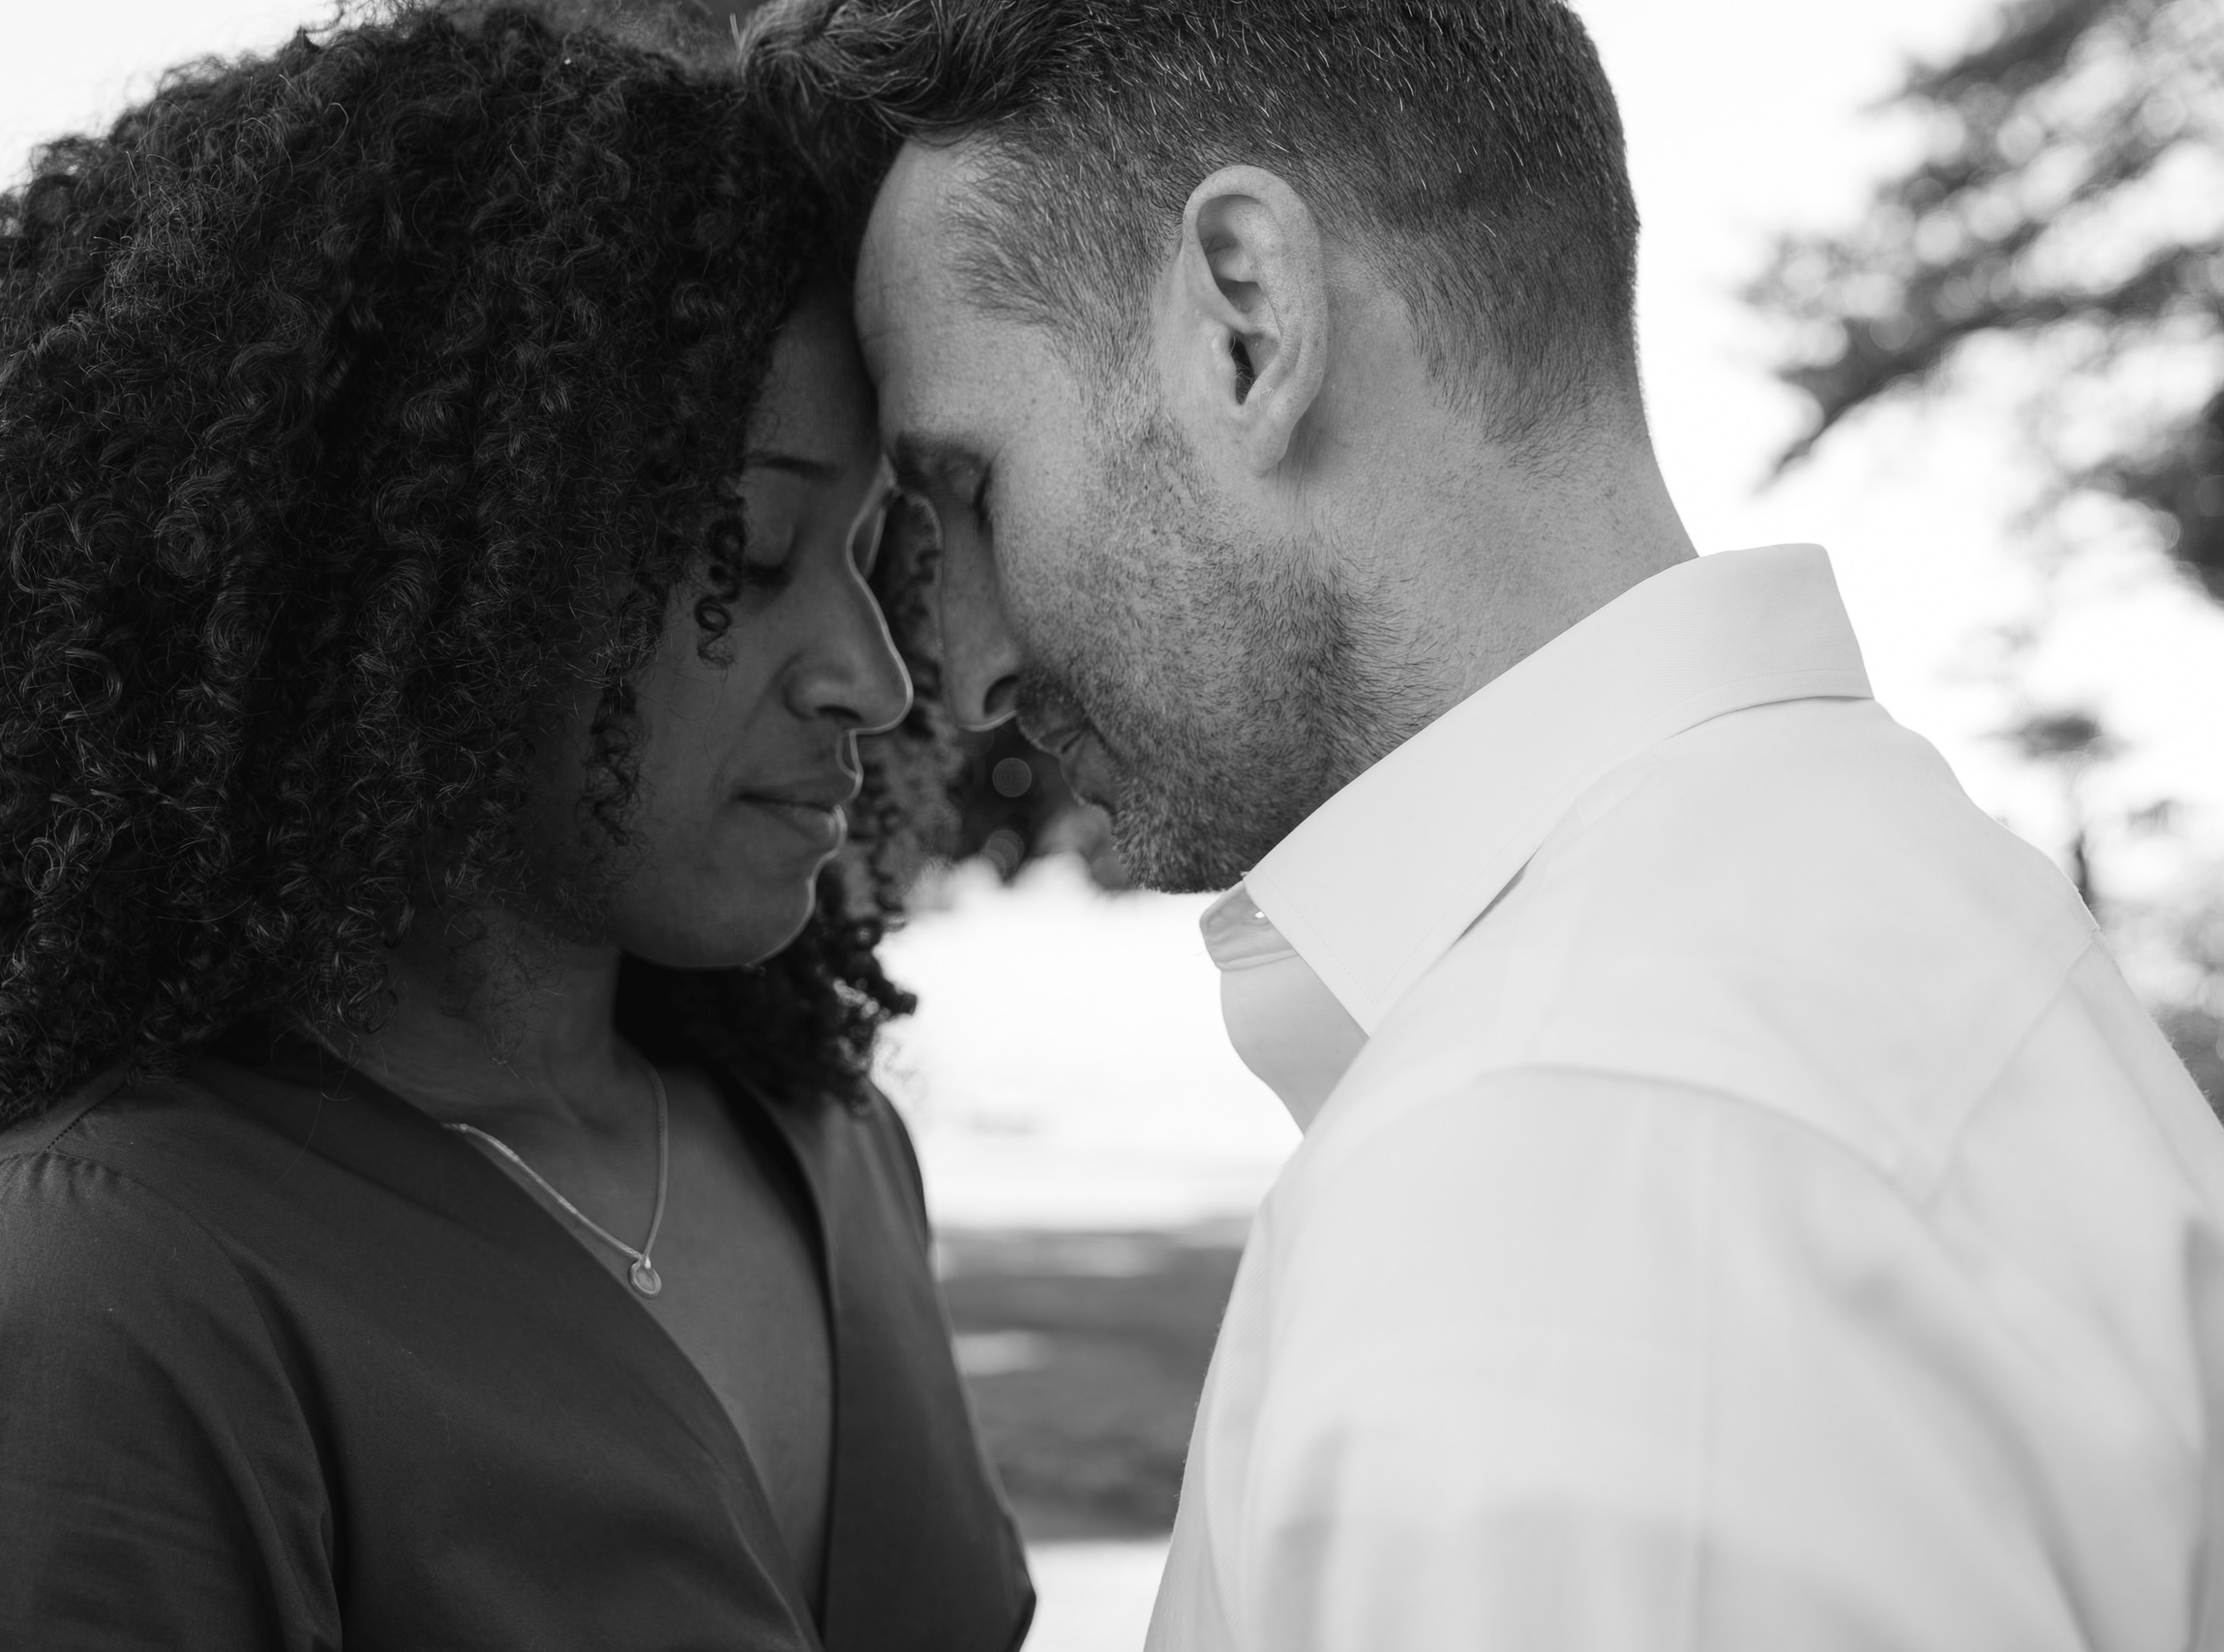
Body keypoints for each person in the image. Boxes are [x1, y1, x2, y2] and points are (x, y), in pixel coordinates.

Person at [745, 1, 2224, 1647]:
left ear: (1247, 318)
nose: (959, 669)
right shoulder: (1908, 916)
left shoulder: (1564, 1185)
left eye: (972, 487)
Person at [0, 6, 1033, 1648]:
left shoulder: (838, 1163)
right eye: (752, 550)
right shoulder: (90, 1309)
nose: (867, 671)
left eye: (876, 554)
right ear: (430, 588)